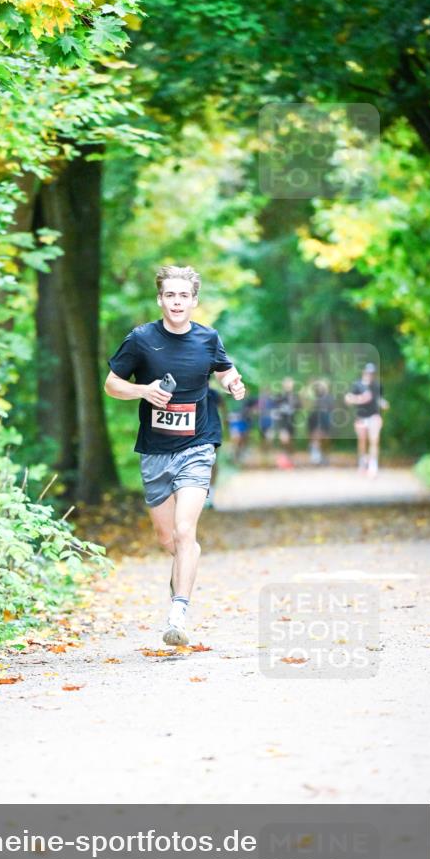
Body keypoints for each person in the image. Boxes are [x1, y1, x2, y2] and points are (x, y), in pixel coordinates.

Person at [104, 264, 245, 646]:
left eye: (184, 295)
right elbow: (112, 384)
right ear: (160, 299)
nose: (177, 301)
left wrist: (232, 380)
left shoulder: (207, 338)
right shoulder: (141, 340)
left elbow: (223, 367)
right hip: (155, 451)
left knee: (186, 531)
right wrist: (143, 391)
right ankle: (183, 568)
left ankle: (178, 612)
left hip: (198, 444)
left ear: (194, 300)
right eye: (170, 295)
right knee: (169, 539)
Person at [344, 362, 389, 478]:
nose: (371, 375)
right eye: (369, 373)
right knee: (362, 441)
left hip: (374, 416)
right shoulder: (357, 385)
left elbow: (378, 399)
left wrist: (383, 403)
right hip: (361, 417)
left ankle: (373, 465)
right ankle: (363, 463)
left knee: (374, 440)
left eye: (372, 373)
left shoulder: (377, 386)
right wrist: (360, 399)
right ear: (364, 372)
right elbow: (348, 399)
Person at [272, 377, 301, 469]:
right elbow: (274, 408)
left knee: (290, 442)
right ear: (283, 385)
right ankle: (282, 460)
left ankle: (290, 459)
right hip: (282, 423)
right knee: (284, 440)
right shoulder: (280, 396)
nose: (288, 385)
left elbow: (300, 407)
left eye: (290, 383)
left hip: (291, 423)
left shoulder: (295, 396)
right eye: (287, 383)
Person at [307, 379, 334, 465]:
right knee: (315, 436)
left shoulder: (330, 398)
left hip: (325, 419)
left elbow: (331, 408)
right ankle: (316, 456)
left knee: (325, 438)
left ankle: (323, 456)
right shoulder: (315, 396)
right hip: (315, 418)